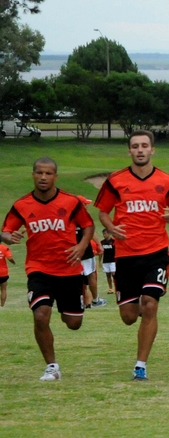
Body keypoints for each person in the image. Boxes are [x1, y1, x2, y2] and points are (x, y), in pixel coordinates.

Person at [95, 130, 169, 381]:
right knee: (129, 316)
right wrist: (111, 227)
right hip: (125, 255)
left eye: (145, 145)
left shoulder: (167, 181)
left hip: (156, 252)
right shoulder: (116, 180)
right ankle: (137, 318)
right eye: (135, 146)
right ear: (129, 151)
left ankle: (140, 365)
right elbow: (102, 211)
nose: (140, 150)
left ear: (152, 150)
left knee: (150, 304)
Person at [1, 157, 94, 380]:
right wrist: (8, 237)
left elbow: (88, 225)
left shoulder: (71, 202)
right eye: (39, 173)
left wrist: (81, 247)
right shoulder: (22, 205)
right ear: (33, 175)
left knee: (73, 323)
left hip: (69, 269)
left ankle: (69, 309)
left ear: (55, 176)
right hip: (38, 269)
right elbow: (5, 231)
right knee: (41, 316)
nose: (43, 177)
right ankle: (52, 367)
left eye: (48, 173)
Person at [100, 228, 116, 294]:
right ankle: (110, 288)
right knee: (108, 275)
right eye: (103, 234)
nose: (104, 235)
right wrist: (99, 261)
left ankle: (116, 287)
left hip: (113, 261)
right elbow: (101, 252)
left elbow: (116, 251)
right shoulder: (102, 242)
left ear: (109, 234)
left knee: (114, 274)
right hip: (105, 261)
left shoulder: (113, 241)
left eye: (105, 234)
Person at [0, 242, 16, 307]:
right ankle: (2, 305)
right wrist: (13, 262)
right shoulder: (4, 248)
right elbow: (10, 258)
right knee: (3, 289)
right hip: (3, 273)